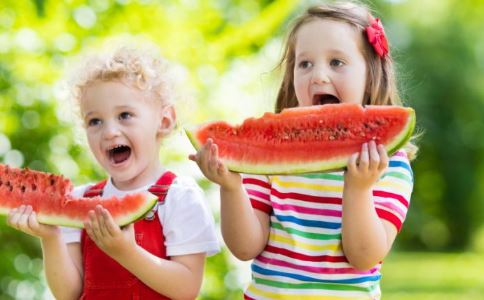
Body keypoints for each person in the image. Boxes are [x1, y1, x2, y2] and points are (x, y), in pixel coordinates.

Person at [190, 2, 417, 299]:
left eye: (336, 62)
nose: (319, 76)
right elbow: (246, 247)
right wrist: (231, 187)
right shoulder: (269, 159)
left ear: (371, 73)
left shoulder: (390, 164)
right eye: (305, 63)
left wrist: (359, 189)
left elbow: (364, 256)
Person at [7, 45, 219, 299]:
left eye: (125, 115)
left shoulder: (179, 197)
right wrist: (50, 237)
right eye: (95, 121)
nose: (109, 132)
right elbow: (69, 293)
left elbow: (187, 289)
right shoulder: (80, 198)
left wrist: (126, 252)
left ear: (163, 121)